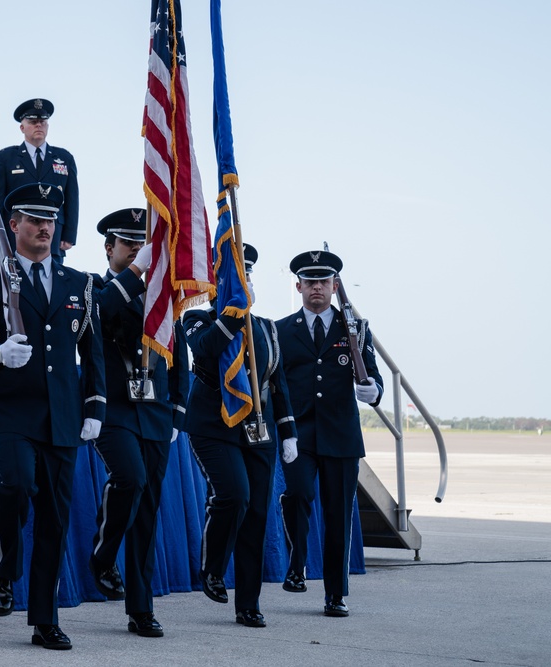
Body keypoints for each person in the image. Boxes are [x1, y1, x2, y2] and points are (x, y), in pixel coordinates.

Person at [0, 183, 106, 651]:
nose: (45, 227)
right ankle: (5, 570)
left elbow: (93, 353)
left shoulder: (78, 285)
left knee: (54, 520)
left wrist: (95, 406)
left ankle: (45, 619)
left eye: (50, 220)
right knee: (19, 484)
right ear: (13, 225)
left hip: (62, 417)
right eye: (34, 219)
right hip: (12, 413)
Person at [182, 244, 298, 628]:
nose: (242, 283)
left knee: (258, 514)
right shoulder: (197, 318)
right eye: (234, 277)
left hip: (257, 429)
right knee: (235, 495)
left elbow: (277, 383)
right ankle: (213, 568)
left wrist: (288, 433)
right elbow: (204, 350)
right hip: (213, 426)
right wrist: (231, 315)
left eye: (246, 277)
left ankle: (248, 604)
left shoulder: (265, 327)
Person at [87, 208, 189, 638]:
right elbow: (98, 312)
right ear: (109, 247)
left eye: (143, 245)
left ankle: (141, 609)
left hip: (154, 409)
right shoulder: (92, 286)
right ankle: (104, 554)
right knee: (130, 478)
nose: (136, 252)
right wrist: (138, 270)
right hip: (113, 406)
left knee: (147, 511)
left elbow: (177, 351)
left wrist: (178, 411)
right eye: (128, 245)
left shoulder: (161, 295)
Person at [276, 249, 384, 617]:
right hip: (299, 433)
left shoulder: (354, 328)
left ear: (335, 286)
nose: (317, 288)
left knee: (338, 516)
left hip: (340, 436)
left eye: (324, 281)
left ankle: (335, 594)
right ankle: (298, 563)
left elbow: (372, 373)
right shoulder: (280, 330)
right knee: (297, 494)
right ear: (299, 286)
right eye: (310, 282)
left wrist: (374, 391)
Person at [0, 98, 78, 261]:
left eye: (43, 122)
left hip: (53, 236)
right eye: (33, 121)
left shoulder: (64, 158)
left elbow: (72, 199)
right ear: (22, 127)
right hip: (16, 236)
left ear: (48, 126)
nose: (38, 125)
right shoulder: (6, 158)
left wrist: (70, 235)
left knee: (52, 283)